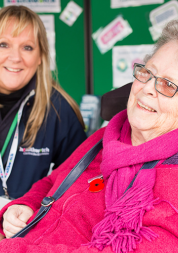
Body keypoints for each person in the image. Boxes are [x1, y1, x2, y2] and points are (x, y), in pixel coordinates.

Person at [1, 19, 178, 253]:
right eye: (147, 73)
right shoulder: (105, 137)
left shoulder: (171, 181)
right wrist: (27, 204)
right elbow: (53, 181)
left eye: (168, 85)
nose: (147, 88)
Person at [0, 5, 86, 200]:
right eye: (3, 44)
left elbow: (79, 185)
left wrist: (32, 208)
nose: (15, 58)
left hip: (24, 228)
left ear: (40, 56)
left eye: (27, 47)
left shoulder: (58, 109)